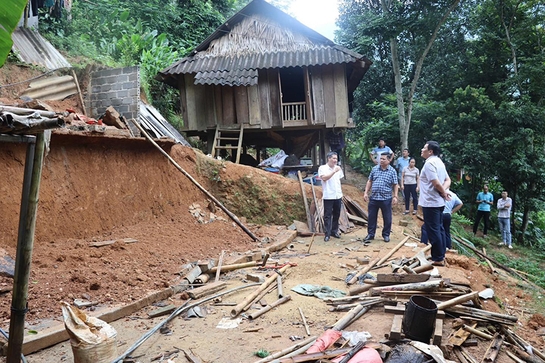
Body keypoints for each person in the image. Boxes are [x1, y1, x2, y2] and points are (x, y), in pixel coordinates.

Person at [419, 141, 451, 266]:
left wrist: (442, 192)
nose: (422, 149)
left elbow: (436, 183)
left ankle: (437, 258)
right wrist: (443, 192)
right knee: (440, 228)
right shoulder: (440, 162)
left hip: (431, 202)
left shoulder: (429, 163)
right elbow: (448, 180)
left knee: (433, 230)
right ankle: (440, 254)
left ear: (430, 151)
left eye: (424, 148)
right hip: (439, 202)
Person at [363, 153, 399, 243]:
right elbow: (370, 181)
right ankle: (370, 234)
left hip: (386, 198)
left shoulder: (392, 171)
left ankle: (386, 235)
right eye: (380, 158)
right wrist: (366, 192)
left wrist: (395, 196)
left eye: (383, 159)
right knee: (371, 217)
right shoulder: (375, 169)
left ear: (389, 160)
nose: (381, 160)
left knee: (387, 217)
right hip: (374, 198)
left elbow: (395, 185)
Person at [318, 151, 344, 242]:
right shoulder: (322, 168)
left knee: (337, 214)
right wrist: (333, 171)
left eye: (336, 159)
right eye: (333, 158)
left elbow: (339, 180)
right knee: (327, 215)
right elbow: (324, 178)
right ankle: (327, 234)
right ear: (328, 158)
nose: (335, 160)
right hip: (328, 195)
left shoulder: (338, 168)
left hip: (338, 195)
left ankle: (334, 231)